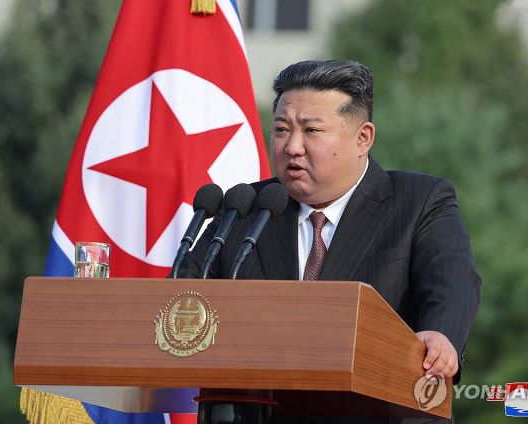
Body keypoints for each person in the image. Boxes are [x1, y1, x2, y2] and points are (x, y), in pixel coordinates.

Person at [179, 60, 481, 423]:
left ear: (363, 138)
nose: (292, 147)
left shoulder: (419, 201)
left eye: (311, 131)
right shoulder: (244, 209)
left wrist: (442, 333)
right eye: (281, 129)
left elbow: (452, 281)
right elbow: (182, 298)